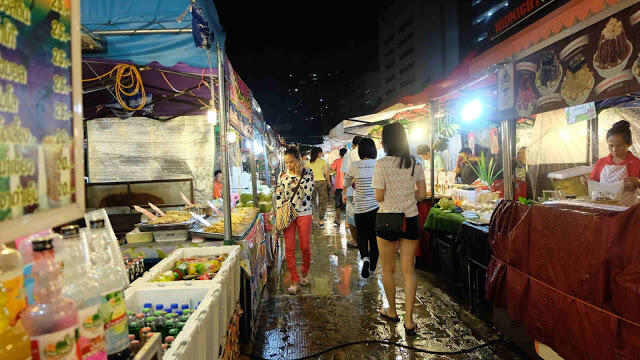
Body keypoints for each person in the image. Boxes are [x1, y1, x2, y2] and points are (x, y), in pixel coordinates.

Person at [371, 122, 426, 336]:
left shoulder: (381, 164)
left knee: (387, 269)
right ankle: (410, 320)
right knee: (408, 270)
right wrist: (407, 197)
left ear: (386, 142)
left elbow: (378, 196)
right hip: (409, 219)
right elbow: (421, 194)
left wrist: (392, 197)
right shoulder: (415, 163)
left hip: (386, 220)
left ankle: (392, 311)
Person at [275, 147, 315, 294]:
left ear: (298, 159)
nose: (289, 165)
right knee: (289, 248)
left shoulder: (308, 172)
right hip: (288, 214)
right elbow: (279, 194)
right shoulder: (282, 175)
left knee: (305, 246)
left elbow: (309, 192)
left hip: (304, 213)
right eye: (286, 162)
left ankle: (304, 273)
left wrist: (299, 175)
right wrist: (280, 210)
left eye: (291, 162)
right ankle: (295, 279)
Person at [344, 138, 379, 278]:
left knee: (362, 237)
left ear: (360, 151)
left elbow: (345, 182)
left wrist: (350, 184)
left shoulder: (354, 165)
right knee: (374, 239)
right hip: (376, 208)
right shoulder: (378, 164)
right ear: (373, 150)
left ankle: (365, 259)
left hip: (360, 209)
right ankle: (372, 269)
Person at [586, 120, 640, 206]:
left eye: (619, 146)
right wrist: (587, 183)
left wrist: (638, 182)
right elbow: (594, 185)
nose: (614, 150)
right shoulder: (601, 162)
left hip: (627, 211)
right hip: (605, 209)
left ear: (629, 144)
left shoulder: (637, 163)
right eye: (611, 145)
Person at [342, 136, 363, 248]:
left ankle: (356, 240)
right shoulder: (367, 154)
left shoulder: (349, 155)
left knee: (351, 216)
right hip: (366, 191)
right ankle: (365, 240)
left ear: (353, 144)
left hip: (351, 191)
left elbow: (346, 175)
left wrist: (344, 192)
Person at [308, 147, 330, 226]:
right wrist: (328, 181)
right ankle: (321, 220)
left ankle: (312, 217)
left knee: (311, 201)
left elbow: (304, 173)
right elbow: (326, 173)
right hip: (321, 182)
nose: (321, 154)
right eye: (321, 153)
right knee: (323, 201)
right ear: (318, 153)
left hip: (311, 182)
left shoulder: (308, 162)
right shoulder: (322, 161)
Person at [330, 148, 348, 225]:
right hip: (347, 186)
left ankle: (338, 220)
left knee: (338, 204)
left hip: (338, 186)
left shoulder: (336, 161)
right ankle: (347, 222)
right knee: (348, 204)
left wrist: (335, 173)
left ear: (340, 154)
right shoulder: (349, 162)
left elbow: (330, 170)